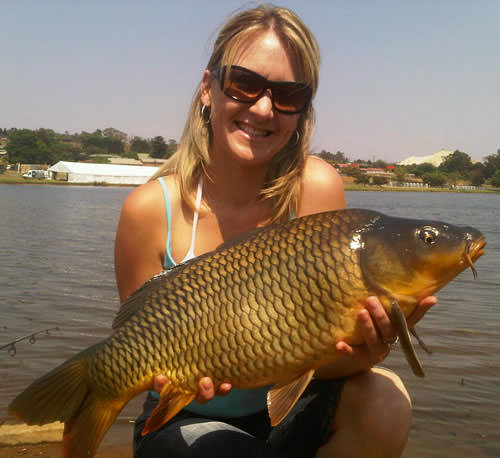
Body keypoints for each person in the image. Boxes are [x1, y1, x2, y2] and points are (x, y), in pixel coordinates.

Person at [114, 5, 437, 457]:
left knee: (386, 398)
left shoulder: (318, 188)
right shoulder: (149, 211)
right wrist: (177, 379)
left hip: (285, 412)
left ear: (302, 109)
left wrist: (369, 350)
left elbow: (318, 361)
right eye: (244, 84)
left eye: (288, 95)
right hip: (187, 417)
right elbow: (140, 352)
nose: (263, 108)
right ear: (208, 89)